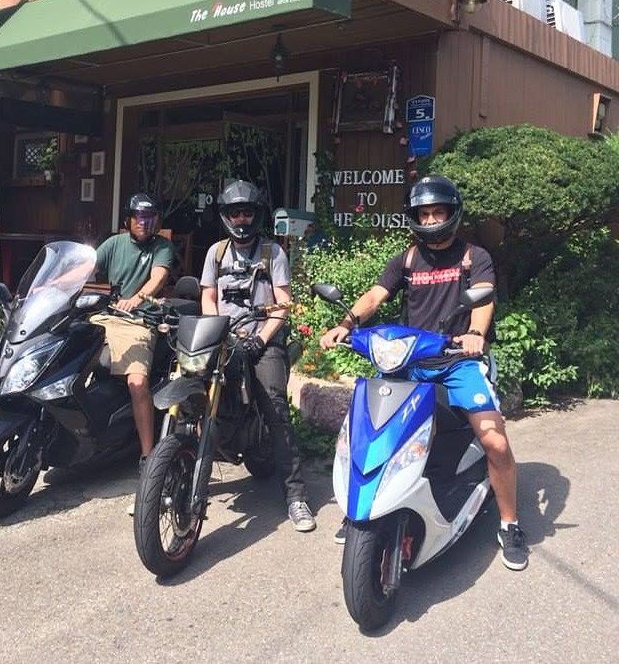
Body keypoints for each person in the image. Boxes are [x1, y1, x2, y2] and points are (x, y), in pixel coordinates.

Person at [320, 174, 528, 570]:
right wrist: (346, 324)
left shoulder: (474, 256)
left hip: (457, 361)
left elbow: (484, 299)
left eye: (438, 212)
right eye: (424, 213)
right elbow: (375, 295)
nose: (431, 220)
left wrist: (474, 335)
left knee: (495, 441)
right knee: (373, 433)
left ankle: (509, 523)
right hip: (409, 361)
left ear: (451, 214)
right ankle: (363, 509)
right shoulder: (408, 259)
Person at [200, 180, 316, 533]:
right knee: (195, 395)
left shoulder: (273, 253)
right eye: (235, 212)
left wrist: (261, 338)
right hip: (224, 338)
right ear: (225, 216)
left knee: (275, 408)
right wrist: (214, 330)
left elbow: (282, 304)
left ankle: (296, 496)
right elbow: (207, 297)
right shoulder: (216, 252)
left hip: (263, 339)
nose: (241, 219)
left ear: (257, 214)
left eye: (247, 212)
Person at [90, 192, 174, 513]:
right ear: (128, 218)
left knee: (137, 382)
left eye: (149, 216)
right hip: (105, 316)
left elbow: (158, 277)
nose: (143, 221)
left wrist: (137, 297)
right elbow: (88, 266)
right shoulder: (114, 244)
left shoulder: (161, 248)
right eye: (138, 216)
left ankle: (147, 458)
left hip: (139, 321)